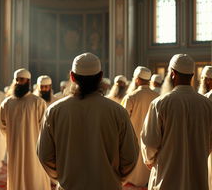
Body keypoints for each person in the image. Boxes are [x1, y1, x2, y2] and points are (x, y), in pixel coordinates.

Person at [37, 52, 139, 190]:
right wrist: (114, 178)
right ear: (101, 77)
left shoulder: (54, 111)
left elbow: (44, 155)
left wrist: (63, 177)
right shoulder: (117, 111)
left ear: (72, 77)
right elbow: (130, 157)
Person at [141, 54, 212, 190]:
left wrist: (149, 160)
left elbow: (149, 142)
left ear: (172, 74)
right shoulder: (207, 105)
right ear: (192, 75)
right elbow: (209, 142)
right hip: (196, 178)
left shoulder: (160, 104)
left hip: (166, 178)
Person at [0, 68, 50, 190]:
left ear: (27, 81)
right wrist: (14, 138)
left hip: (34, 148)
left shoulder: (38, 102)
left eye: (21, 80)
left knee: (34, 175)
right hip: (15, 148)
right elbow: (2, 125)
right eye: (16, 80)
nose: (18, 82)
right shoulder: (7, 103)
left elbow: (45, 128)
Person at [121, 66, 159, 187]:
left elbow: (121, 123)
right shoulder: (157, 97)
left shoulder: (131, 97)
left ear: (137, 79)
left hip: (132, 145)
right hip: (152, 145)